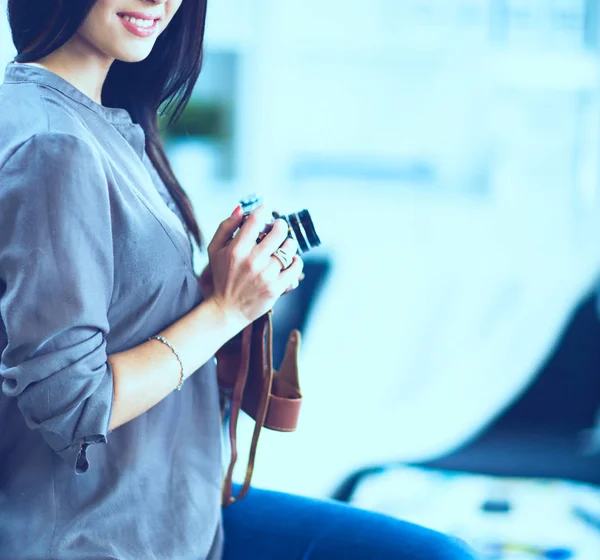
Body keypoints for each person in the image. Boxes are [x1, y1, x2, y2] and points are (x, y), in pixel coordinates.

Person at [0, 1, 479, 559]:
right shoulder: (55, 145)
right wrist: (224, 311)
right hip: (100, 536)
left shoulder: (92, 120)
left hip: (179, 513)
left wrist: (219, 287)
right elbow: (76, 406)